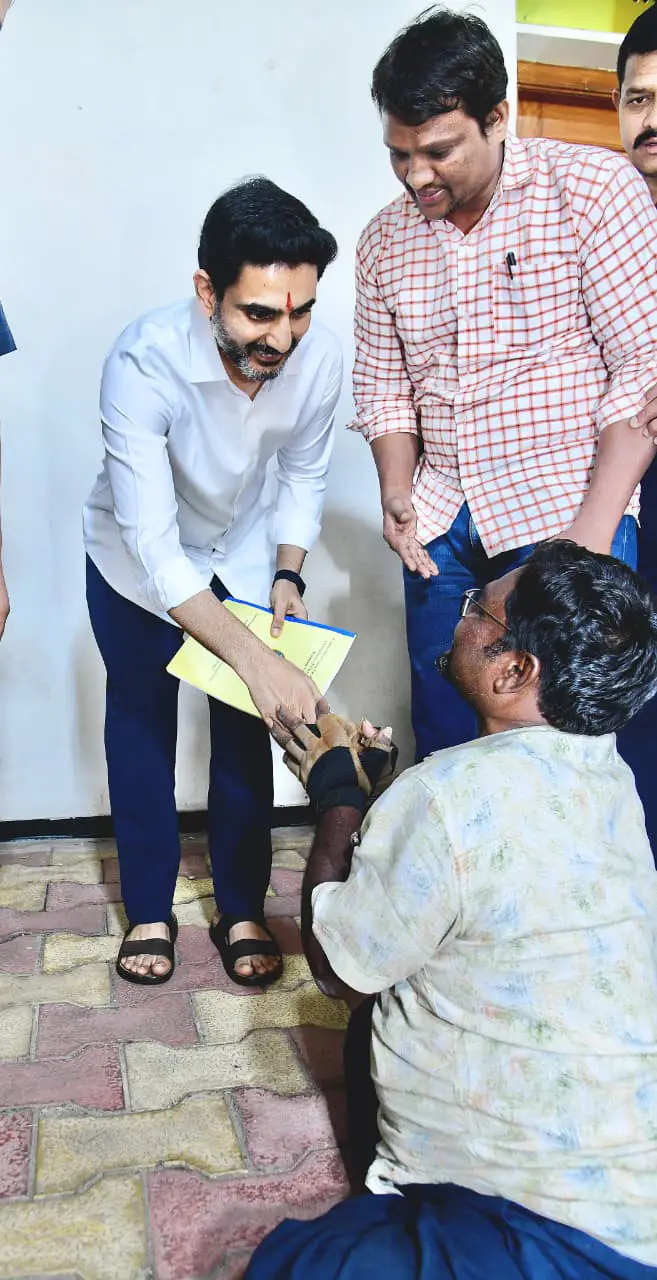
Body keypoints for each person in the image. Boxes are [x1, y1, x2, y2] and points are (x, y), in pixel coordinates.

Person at [246, 540, 657, 1278]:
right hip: (635, 1196)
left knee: (300, 1262)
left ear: (514, 670)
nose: (459, 617)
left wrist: (337, 799)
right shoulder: (610, 773)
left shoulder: (442, 795)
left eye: (477, 610)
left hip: (539, 1226)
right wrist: (378, 794)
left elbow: (340, 969)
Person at [351, 7, 657, 768]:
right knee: (446, 730)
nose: (416, 175)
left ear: (497, 117)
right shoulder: (382, 241)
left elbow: (641, 373)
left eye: (438, 151)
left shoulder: (591, 191)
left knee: (563, 745)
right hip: (441, 524)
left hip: (566, 507)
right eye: (398, 154)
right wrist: (396, 491)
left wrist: (587, 543)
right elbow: (384, 388)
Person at [83, 177, 341, 987]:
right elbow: (155, 547)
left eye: (300, 312)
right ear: (207, 292)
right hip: (135, 565)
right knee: (140, 724)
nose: (283, 337)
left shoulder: (318, 356)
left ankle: (239, 906)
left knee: (242, 732)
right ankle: (149, 908)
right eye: (259, 313)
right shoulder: (143, 361)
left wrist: (287, 573)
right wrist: (257, 662)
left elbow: (304, 473)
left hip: (244, 552)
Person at [611, 6, 657, 861]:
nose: (649, 120)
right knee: (629, 698)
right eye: (638, 97)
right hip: (620, 500)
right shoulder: (603, 226)